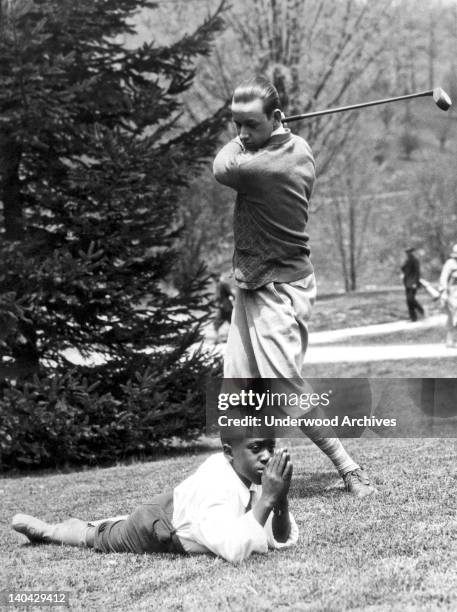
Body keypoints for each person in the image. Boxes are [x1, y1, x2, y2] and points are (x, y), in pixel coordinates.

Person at [212, 76, 376, 498]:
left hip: (278, 286)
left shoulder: (265, 166)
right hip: (255, 282)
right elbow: (255, 142)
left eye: (250, 124)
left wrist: (244, 142)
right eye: (237, 124)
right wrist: (263, 132)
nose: (242, 134)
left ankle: (349, 469)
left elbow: (220, 165)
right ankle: (244, 483)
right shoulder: (299, 146)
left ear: (277, 118)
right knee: (236, 386)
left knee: (282, 380)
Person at [12, 438, 297, 564]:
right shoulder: (217, 486)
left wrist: (279, 500)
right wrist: (269, 498)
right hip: (156, 526)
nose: (266, 456)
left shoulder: (251, 475)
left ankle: (93, 524)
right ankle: (50, 530)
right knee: (99, 536)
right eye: (256, 448)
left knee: (113, 523)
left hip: (177, 507)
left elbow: (277, 538)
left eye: (270, 446)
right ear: (228, 452)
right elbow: (235, 549)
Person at [438, 243, 457, 348]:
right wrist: (443, 292)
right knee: (453, 316)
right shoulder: (450, 263)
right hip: (453, 293)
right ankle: (450, 340)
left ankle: (451, 340)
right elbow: (443, 278)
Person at [401, 247, 424, 321]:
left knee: (410, 299)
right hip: (407, 283)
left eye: (409, 252)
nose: (408, 253)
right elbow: (403, 269)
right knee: (409, 300)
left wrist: (415, 282)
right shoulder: (406, 261)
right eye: (407, 252)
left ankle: (421, 311)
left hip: (413, 283)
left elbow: (417, 273)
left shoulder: (415, 260)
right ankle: (413, 317)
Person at [213, 272, 234, 343]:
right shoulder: (221, 284)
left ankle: (218, 339)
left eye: (215, 277)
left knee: (217, 323)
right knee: (231, 322)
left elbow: (228, 294)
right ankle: (220, 338)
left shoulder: (221, 284)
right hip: (226, 306)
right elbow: (231, 294)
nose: (214, 279)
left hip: (224, 306)